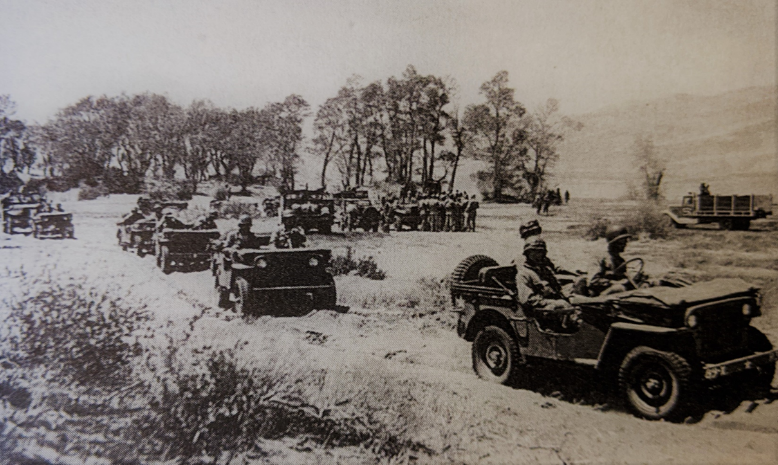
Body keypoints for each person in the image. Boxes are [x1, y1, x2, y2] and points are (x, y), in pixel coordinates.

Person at [516, 237, 578, 330]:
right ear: (528, 253)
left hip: (556, 308)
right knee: (565, 307)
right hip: (542, 312)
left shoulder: (545, 270)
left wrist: (570, 296)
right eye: (534, 252)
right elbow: (527, 300)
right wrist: (553, 302)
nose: (538, 255)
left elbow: (558, 288)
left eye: (540, 252)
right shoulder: (524, 274)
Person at [586, 224, 637, 296]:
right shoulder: (600, 258)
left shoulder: (620, 260)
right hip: (599, 296)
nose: (625, 244)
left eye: (626, 241)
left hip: (614, 295)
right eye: (622, 241)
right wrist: (614, 282)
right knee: (619, 288)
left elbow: (623, 277)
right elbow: (593, 281)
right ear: (614, 242)